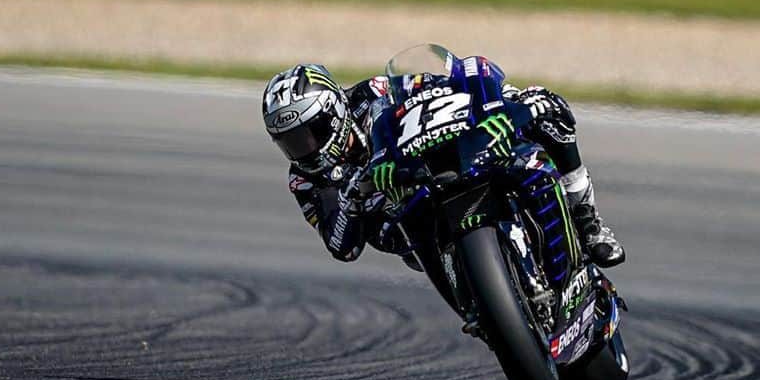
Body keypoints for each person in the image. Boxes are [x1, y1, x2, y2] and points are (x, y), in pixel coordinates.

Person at [261, 57, 625, 268]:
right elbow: (343, 248)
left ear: (335, 112)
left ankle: (586, 219)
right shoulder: (305, 179)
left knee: (547, 111)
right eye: (290, 143)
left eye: (310, 133)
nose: (303, 149)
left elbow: (433, 86)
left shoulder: (370, 93)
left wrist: (504, 98)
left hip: (433, 165)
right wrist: (352, 201)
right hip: (405, 228)